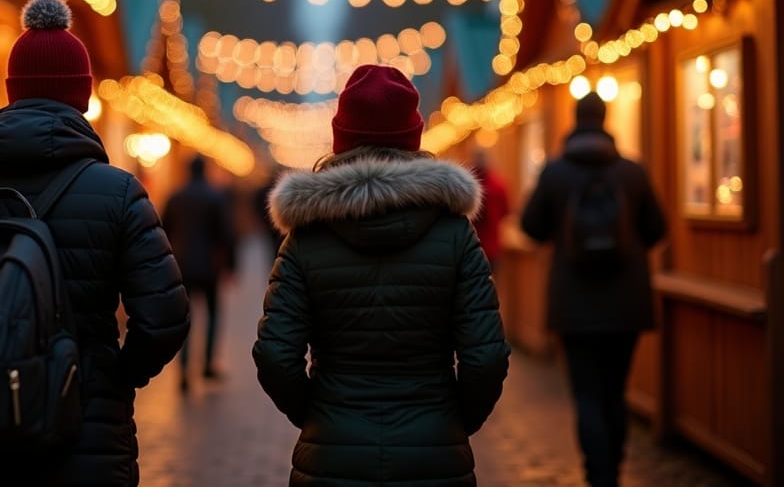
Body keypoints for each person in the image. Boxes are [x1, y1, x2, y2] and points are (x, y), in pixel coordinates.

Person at [0, 0, 190, 486]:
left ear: (12, 90)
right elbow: (165, 318)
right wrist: (110, 378)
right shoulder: (119, 193)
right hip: (80, 435)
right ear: (82, 95)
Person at [253, 64, 510, 487]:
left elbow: (275, 355)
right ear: (413, 138)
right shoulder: (454, 233)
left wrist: (318, 415)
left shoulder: (307, 237)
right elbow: (486, 357)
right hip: (434, 454)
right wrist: (452, 420)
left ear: (341, 139)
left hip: (332, 456)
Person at [521, 91, 666, 487]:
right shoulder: (632, 172)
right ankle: (613, 470)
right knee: (615, 391)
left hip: (574, 302)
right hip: (626, 301)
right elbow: (657, 229)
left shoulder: (555, 172)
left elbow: (531, 227)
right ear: (604, 119)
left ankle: (597, 476)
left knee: (586, 394)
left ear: (575, 119)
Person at [162, 154, 236, 391]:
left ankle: (184, 371)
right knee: (213, 314)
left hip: (181, 265)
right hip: (209, 266)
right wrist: (231, 265)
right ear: (205, 170)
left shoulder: (175, 196)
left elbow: (163, 230)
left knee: (184, 317)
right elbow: (226, 234)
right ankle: (207, 365)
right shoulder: (215, 196)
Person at [470, 148, 510, 272]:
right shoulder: (498, 185)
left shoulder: (468, 186)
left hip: (471, 244)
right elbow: (506, 211)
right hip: (492, 245)